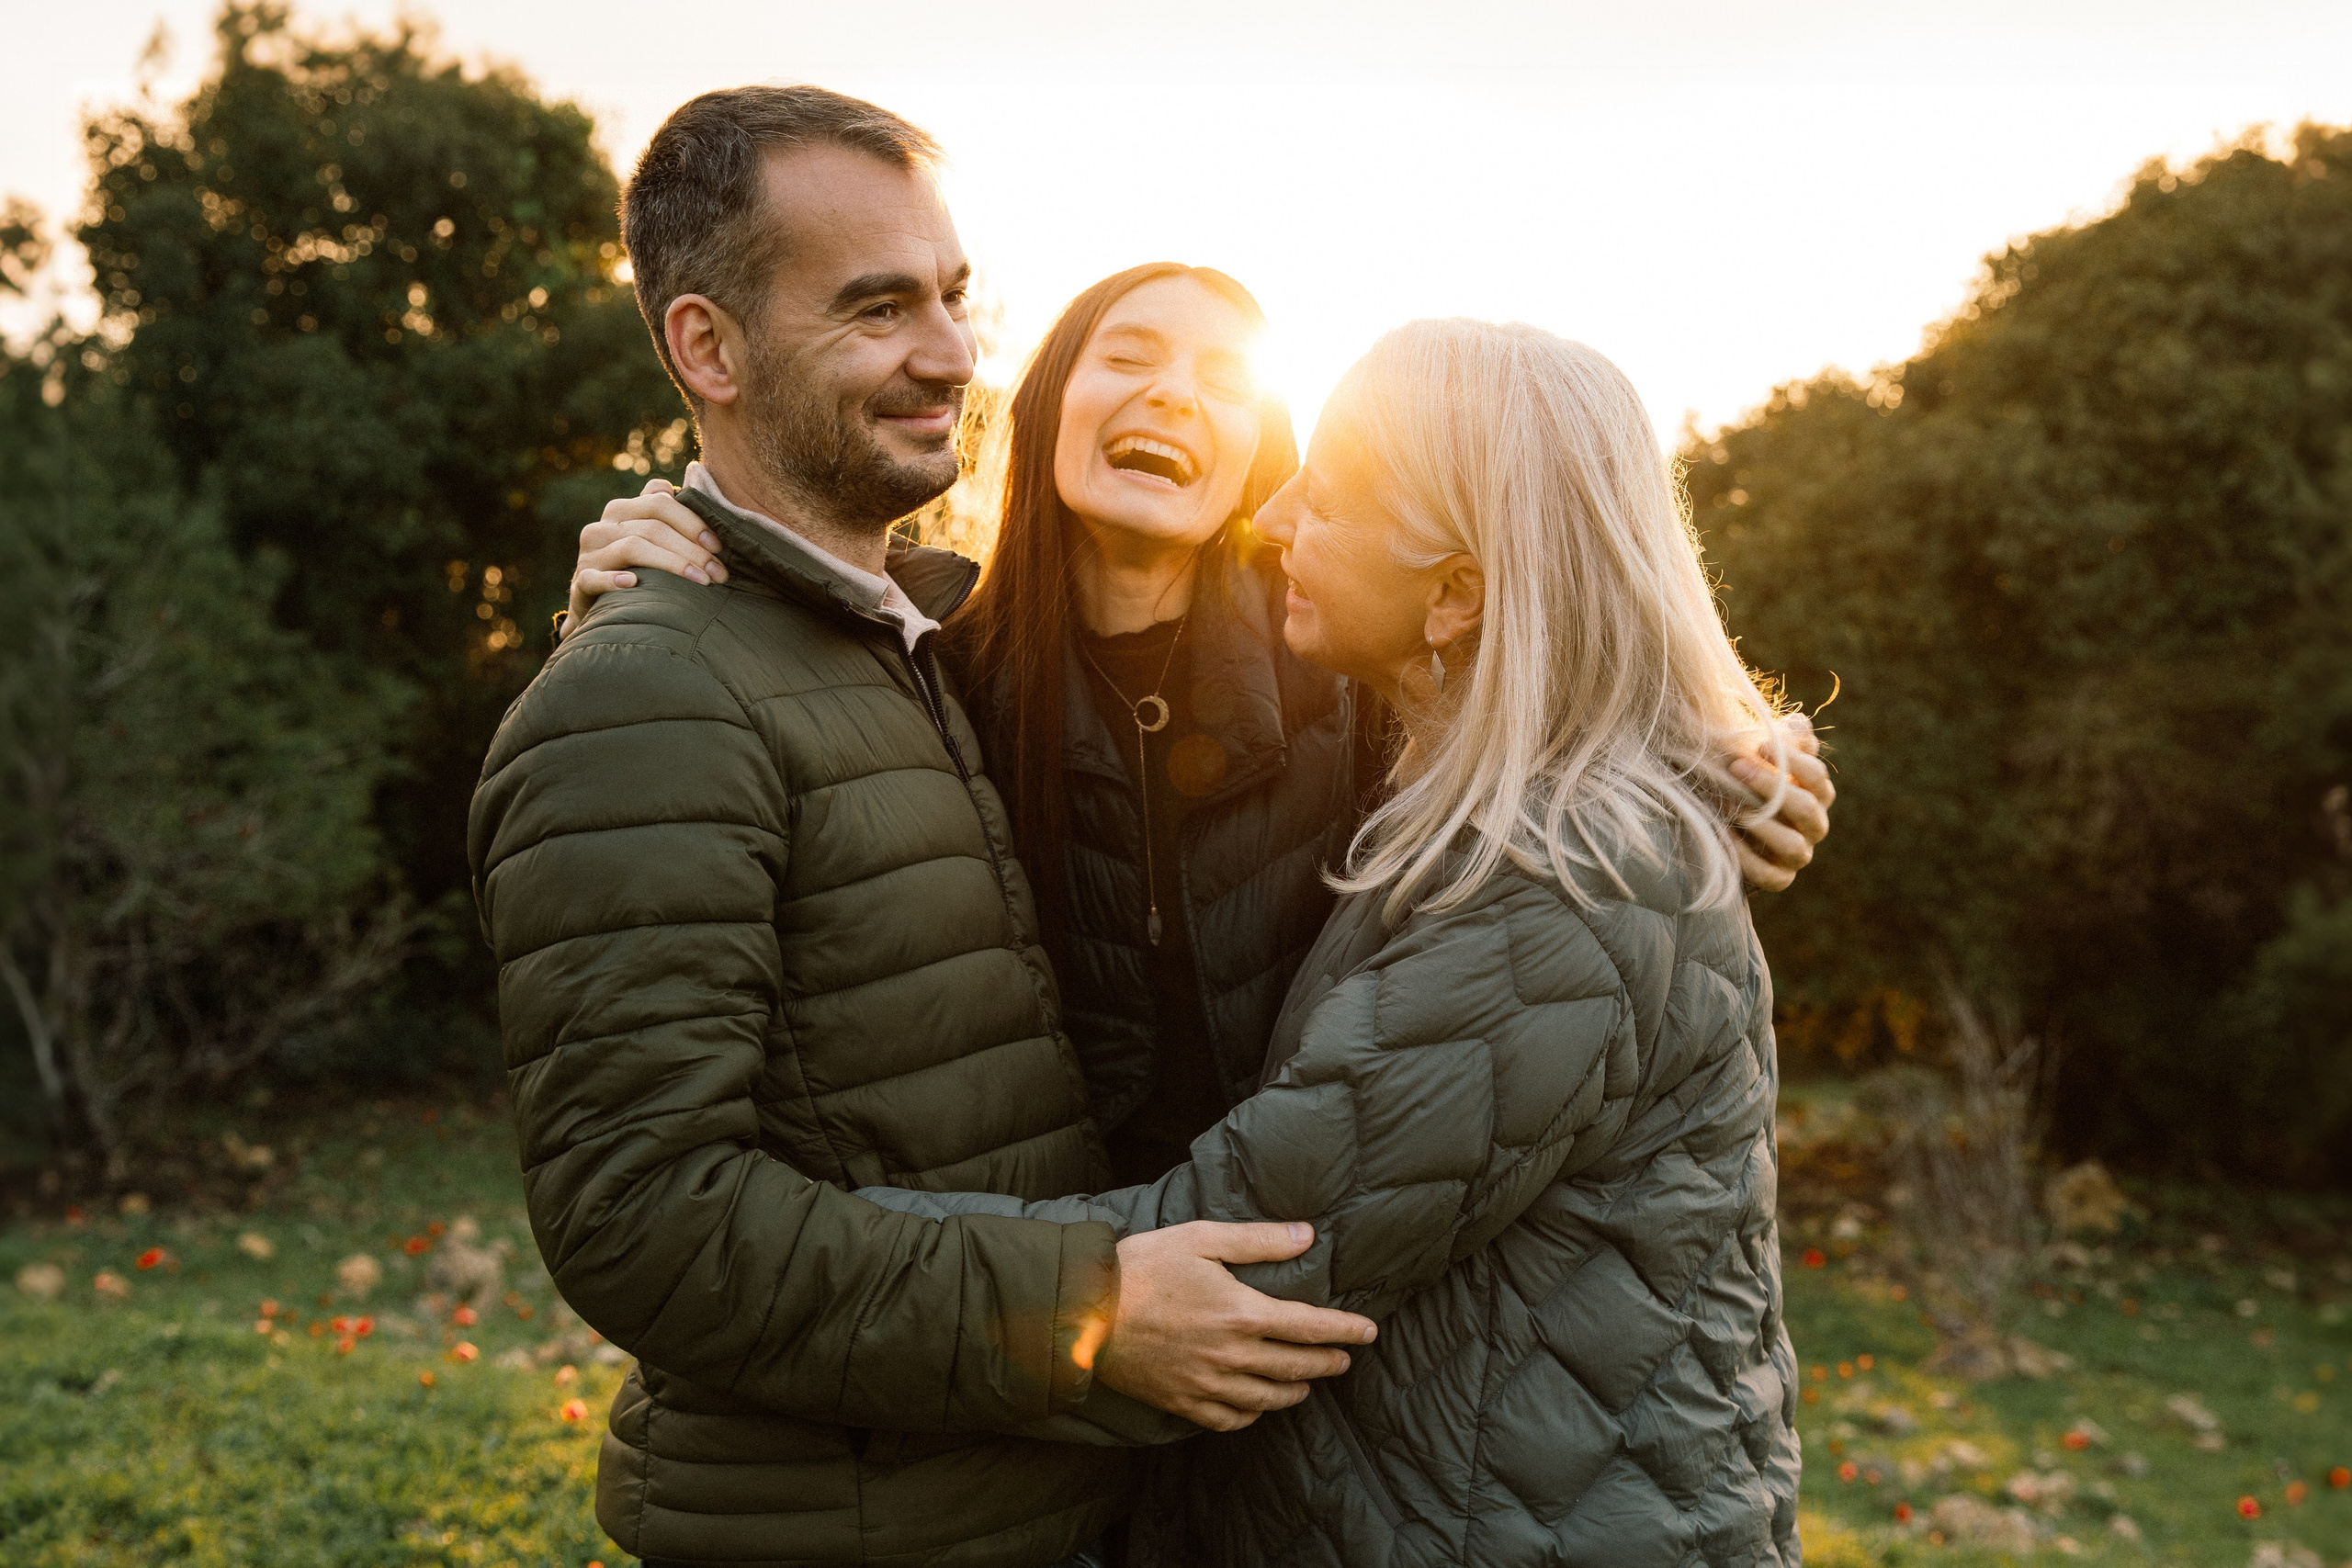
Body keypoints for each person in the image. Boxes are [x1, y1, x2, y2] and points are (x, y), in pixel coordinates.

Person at [467, 85, 1376, 1568]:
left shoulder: (925, 648)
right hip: (844, 1525)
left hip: (1020, 1500)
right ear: (708, 345)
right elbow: (642, 1219)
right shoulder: (644, 689)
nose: (951, 354)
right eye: (879, 307)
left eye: (954, 299)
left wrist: (1711, 745)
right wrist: (1085, 1306)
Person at [570, 270, 1834, 1221]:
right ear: (1054, 398)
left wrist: (1733, 764)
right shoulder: (918, 653)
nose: (1174, 392)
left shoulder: (1348, 671)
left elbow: (1552, 701)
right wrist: (619, 605)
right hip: (1039, 1282)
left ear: (1260, 459)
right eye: (1129, 355)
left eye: (1225, 379)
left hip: (1288, 1262)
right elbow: (692, 770)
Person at [864, 320, 1807, 1564]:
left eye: (1334, 494)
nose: (1274, 515)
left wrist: (831, 1262)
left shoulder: (1563, 897)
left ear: (1457, 593)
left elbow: (1248, 1264)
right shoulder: (1480, 806)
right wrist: (701, 562)